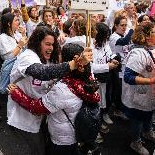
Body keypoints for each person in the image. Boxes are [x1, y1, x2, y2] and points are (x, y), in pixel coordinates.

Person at [7, 26, 92, 155]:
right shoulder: (27, 56)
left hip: (45, 116)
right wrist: (75, 63)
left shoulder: (51, 61)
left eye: (53, 44)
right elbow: (42, 72)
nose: (51, 48)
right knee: (38, 150)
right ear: (37, 42)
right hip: (25, 117)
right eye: (47, 44)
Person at [123, 21, 155, 155]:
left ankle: (147, 132)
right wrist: (151, 80)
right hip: (139, 96)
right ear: (147, 37)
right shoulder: (138, 53)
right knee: (138, 119)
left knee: (149, 114)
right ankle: (135, 141)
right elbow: (128, 77)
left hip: (153, 93)